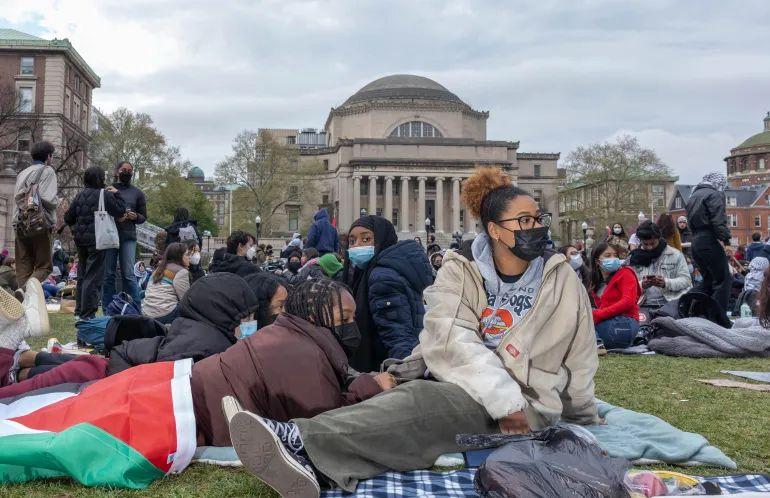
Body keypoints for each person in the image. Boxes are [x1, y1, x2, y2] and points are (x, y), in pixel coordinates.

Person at [226, 167, 598, 496]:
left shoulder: (560, 276)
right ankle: (307, 454)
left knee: (422, 403)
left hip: (521, 403)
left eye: (539, 218)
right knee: (399, 401)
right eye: (525, 221)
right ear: (495, 230)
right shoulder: (461, 267)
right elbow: (450, 336)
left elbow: (580, 351)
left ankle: (301, 441)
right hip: (472, 381)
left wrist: (579, 415)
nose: (538, 228)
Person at [194, 279, 392, 446]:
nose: (352, 325)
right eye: (344, 317)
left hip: (195, 393)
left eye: (353, 317)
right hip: (195, 416)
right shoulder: (305, 354)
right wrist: (371, 387)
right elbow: (323, 425)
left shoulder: (285, 333)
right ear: (314, 316)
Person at [108, 272, 258, 374]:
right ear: (223, 313)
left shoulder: (194, 331)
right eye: (246, 317)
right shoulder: (213, 353)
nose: (252, 324)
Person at [345, 215, 434, 371]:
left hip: (384, 366)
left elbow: (397, 332)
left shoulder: (382, 277)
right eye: (352, 241)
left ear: (382, 239)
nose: (357, 246)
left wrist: (404, 371)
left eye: (366, 240)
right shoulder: (386, 270)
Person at [64, 166, 126, 320]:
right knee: (94, 276)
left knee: (82, 275)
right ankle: (87, 313)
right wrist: (117, 194)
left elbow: (68, 218)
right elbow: (120, 210)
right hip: (98, 239)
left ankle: (79, 311)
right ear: (100, 179)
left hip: (80, 240)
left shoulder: (79, 195)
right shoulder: (104, 195)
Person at [13, 141, 58, 290]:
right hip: (39, 223)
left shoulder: (22, 173)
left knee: (23, 267)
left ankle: (22, 305)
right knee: (44, 267)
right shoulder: (48, 171)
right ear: (48, 156)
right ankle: (23, 291)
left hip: (19, 223)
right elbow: (49, 200)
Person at [102, 161, 146, 312]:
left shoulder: (137, 193)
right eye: (123, 169)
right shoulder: (108, 190)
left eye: (129, 170)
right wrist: (116, 216)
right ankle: (107, 309)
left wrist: (134, 217)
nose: (126, 172)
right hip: (110, 235)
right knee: (108, 274)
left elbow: (143, 217)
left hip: (128, 236)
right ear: (117, 172)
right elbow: (103, 211)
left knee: (128, 274)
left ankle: (136, 308)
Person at [685, 172, 732, 311]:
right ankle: (717, 317)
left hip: (696, 242)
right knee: (723, 280)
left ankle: (689, 306)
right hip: (708, 239)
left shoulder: (693, 195)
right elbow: (718, 221)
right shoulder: (714, 194)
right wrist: (727, 242)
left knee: (708, 281)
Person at [589, 242, 641, 349]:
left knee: (582, 322)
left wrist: (598, 314)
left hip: (624, 322)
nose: (613, 258)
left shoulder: (626, 273)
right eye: (608, 256)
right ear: (597, 261)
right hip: (611, 324)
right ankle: (595, 342)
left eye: (615, 255)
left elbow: (628, 301)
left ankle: (596, 342)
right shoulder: (596, 284)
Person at [629, 221, 692, 308]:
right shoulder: (633, 258)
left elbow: (686, 281)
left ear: (658, 238)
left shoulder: (675, 254)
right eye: (645, 244)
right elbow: (626, 286)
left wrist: (666, 283)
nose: (649, 247)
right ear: (640, 241)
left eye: (652, 243)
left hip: (670, 303)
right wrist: (641, 285)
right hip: (642, 304)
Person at [141, 243, 191, 325]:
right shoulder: (181, 271)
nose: (189, 257)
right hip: (164, 315)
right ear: (178, 257)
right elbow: (185, 298)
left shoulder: (159, 268)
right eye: (187, 254)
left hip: (146, 314)